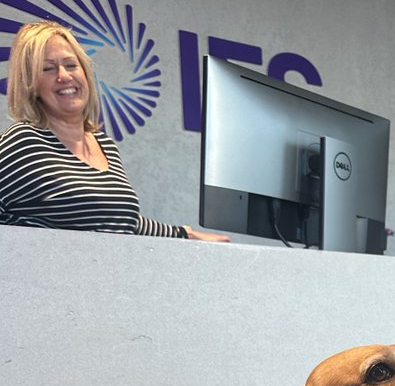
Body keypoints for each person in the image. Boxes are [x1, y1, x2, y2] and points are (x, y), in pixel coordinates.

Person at [0, 21, 228, 240]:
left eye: (71, 65)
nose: (64, 76)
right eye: (48, 69)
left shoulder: (104, 144)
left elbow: (122, 221)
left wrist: (186, 234)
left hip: (112, 276)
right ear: (31, 84)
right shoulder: (23, 142)